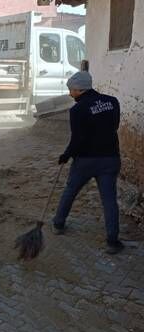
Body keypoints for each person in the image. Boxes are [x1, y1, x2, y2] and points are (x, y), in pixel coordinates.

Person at [52, 71, 123, 254]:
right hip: (110, 159)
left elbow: (78, 138)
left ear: (78, 89)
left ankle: (58, 224)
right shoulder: (112, 101)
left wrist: (66, 155)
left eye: (71, 90)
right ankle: (112, 241)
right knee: (109, 200)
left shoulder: (77, 110)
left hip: (85, 161)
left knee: (70, 191)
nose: (70, 94)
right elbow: (114, 126)